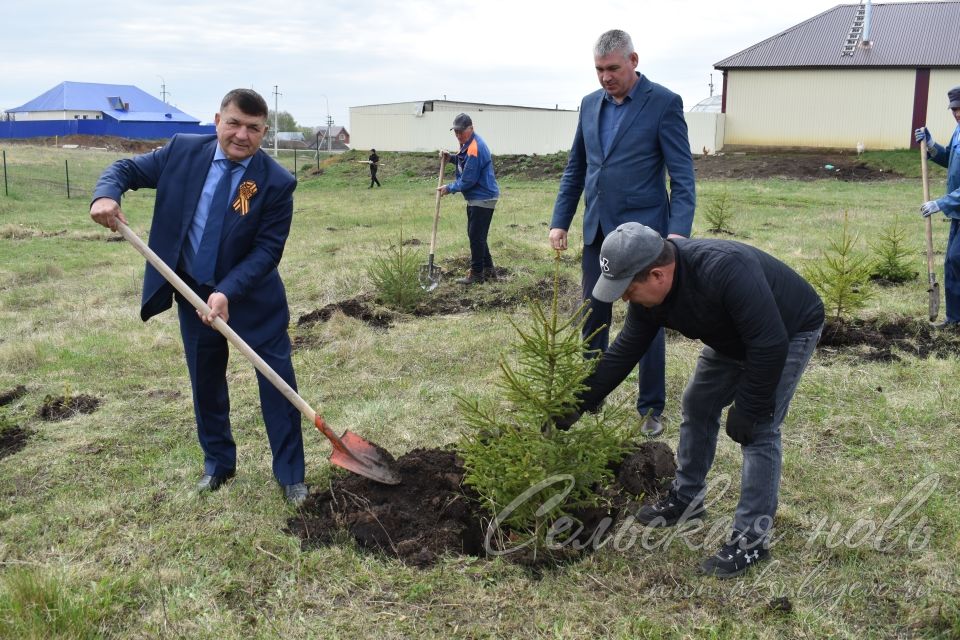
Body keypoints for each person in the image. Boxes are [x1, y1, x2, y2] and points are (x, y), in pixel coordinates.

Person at [557, 222, 824, 578]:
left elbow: (769, 343)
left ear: (657, 275)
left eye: (627, 289)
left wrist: (750, 405)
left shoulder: (724, 268)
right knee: (698, 403)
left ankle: (751, 541)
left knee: (759, 430)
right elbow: (625, 350)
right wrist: (579, 400)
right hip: (732, 336)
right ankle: (687, 500)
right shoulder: (650, 299)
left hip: (787, 331)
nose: (623, 298)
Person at [89, 88, 308, 505]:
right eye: (234, 123)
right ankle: (219, 464)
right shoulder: (182, 152)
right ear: (217, 120)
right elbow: (124, 169)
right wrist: (106, 194)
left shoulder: (276, 182)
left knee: (277, 384)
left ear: (264, 132)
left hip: (252, 299)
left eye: (253, 128)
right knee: (205, 381)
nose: (242, 135)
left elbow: (266, 250)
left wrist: (227, 291)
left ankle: (291, 476)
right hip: (192, 290)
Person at [549, 29, 696, 438]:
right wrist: (560, 219)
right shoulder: (589, 105)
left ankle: (650, 408)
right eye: (598, 70)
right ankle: (590, 397)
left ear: (633, 60)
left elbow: (682, 178)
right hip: (597, 231)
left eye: (612, 68)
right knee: (593, 315)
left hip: (645, 238)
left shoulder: (664, 103)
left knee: (647, 320)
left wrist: (678, 234)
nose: (605, 77)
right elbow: (577, 167)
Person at [915, 85, 960, 329]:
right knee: (952, 264)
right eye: (954, 109)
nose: (957, 113)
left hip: (954, 206)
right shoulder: (959, 132)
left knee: (957, 258)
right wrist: (932, 146)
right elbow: (951, 161)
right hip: (958, 213)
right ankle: (954, 320)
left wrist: (939, 203)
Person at [438, 112, 500, 285]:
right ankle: (488, 270)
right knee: (477, 235)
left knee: (475, 236)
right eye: (455, 132)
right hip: (479, 197)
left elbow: (468, 180)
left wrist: (449, 188)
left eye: (461, 131)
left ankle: (477, 274)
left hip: (483, 197)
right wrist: (450, 158)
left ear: (471, 128)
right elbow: (462, 160)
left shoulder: (475, 147)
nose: (458, 135)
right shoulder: (468, 144)